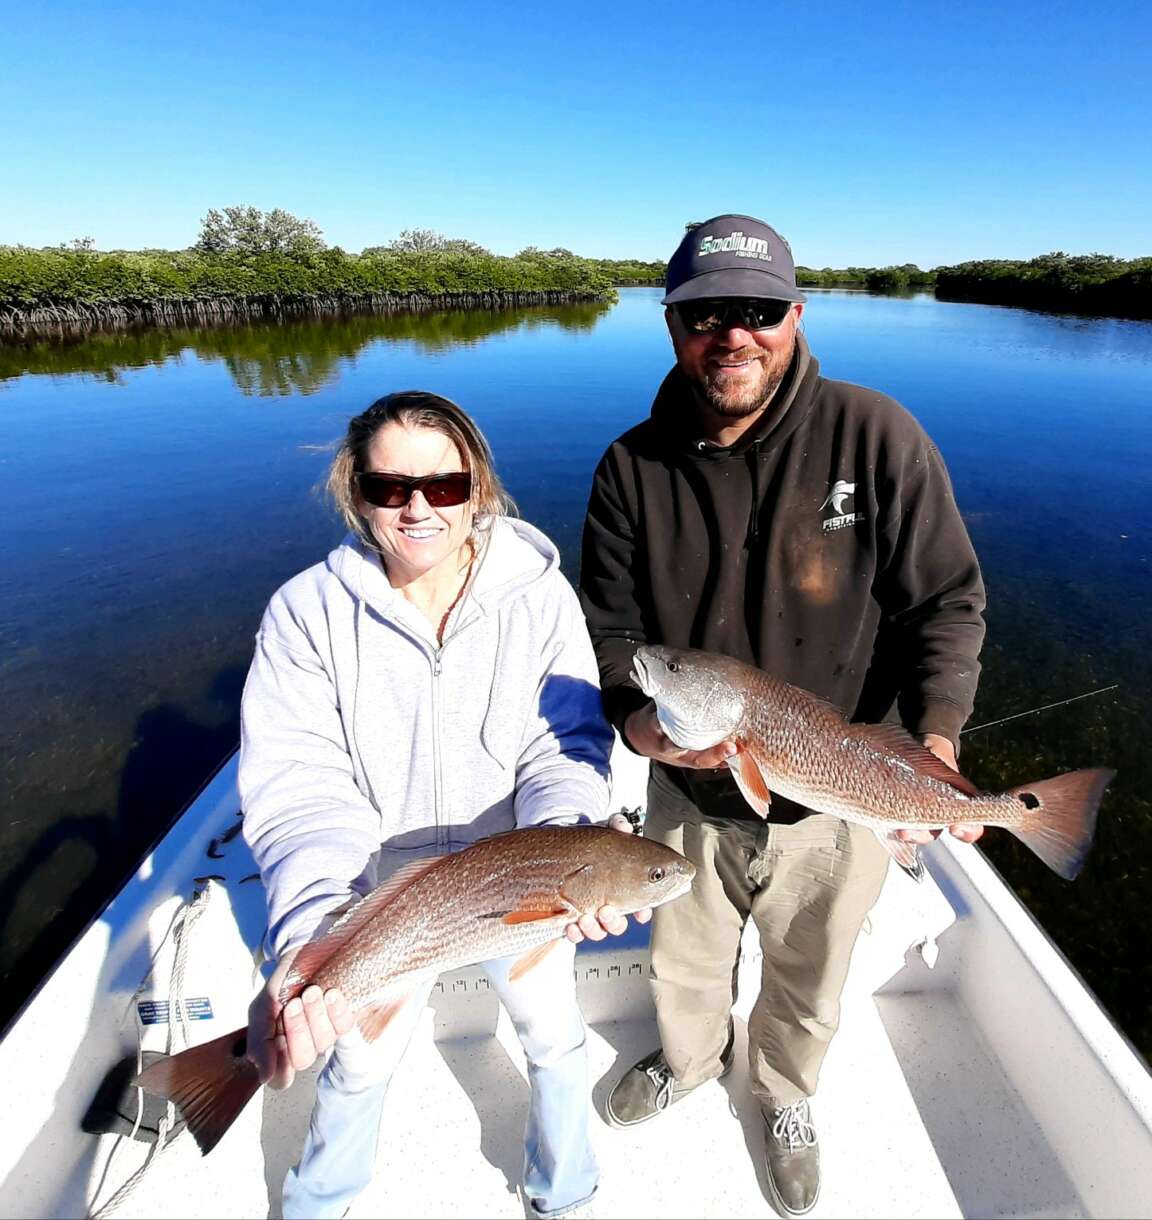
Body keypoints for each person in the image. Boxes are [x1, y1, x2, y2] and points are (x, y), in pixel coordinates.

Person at [579, 214, 987, 1217]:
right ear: (672, 324)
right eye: (705, 312)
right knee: (683, 957)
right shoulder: (631, 467)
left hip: (841, 788)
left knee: (812, 973)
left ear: (796, 315)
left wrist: (933, 739)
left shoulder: (876, 434)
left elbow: (947, 602)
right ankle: (688, 1059)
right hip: (687, 786)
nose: (733, 333)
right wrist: (639, 725)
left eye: (758, 310)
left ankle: (784, 1093)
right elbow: (605, 630)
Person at [239, 390, 641, 1220]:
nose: (419, 507)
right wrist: (319, 933)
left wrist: (567, 846)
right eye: (390, 488)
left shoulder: (540, 596)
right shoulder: (305, 616)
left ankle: (562, 1193)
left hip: (523, 877)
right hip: (380, 895)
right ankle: (316, 1205)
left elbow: (562, 743)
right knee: (356, 1064)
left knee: (554, 1037)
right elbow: (303, 789)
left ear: (479, 490)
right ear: (357, 495)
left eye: (445, 487)